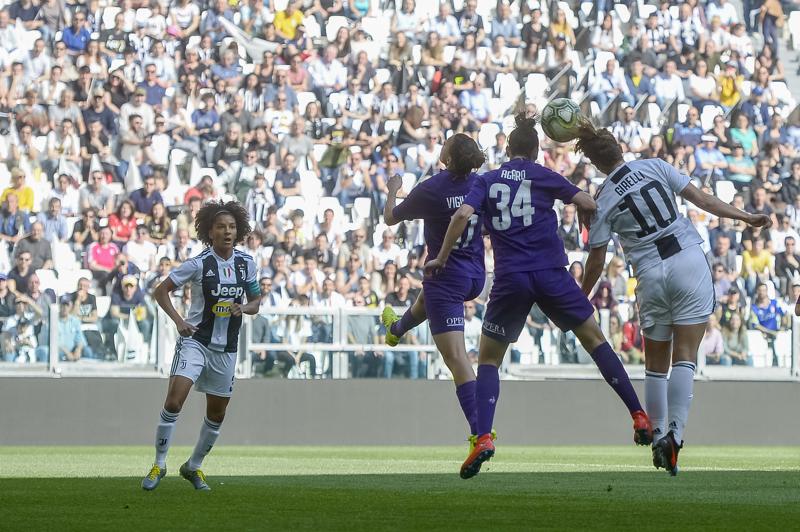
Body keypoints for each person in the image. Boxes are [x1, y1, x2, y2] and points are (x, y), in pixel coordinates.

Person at [426, 114, 652, 479]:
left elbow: (463, 214)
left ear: (507, 149)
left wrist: (441, 255)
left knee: (488, 360)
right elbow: (589, 204)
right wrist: (581, 213)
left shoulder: (486, 180)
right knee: (595, 342)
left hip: (511, 278)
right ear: (534, 152)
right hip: (551, 274)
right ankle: (638, 414)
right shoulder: (544, 175)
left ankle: (483, 436)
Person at [575, 123, 770, 476]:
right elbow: (703, 200)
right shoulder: (654, 166)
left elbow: (598, 260)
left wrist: (580, 298)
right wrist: (744, 216)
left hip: (649, 272)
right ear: (619, 148)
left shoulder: (601, 198)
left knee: (655, 363)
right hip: (686, 261)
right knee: (685, 357)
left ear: (596, 164)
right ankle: (675, 437)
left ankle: (659, 435)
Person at [141, 201, 261, 492]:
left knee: (216, 415)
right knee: (173, 401)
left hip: (226, 349)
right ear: (210, 231)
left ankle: (193, 467)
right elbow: (161, 290)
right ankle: (159, 463)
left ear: (239, 230)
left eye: (232, 226)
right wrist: (179, 321)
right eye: (221, 226)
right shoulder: (198, 264)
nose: (227, 231)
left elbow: (256, 303)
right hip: (195, 341)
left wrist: (243, 308)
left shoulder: (247, 263)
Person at [381, 133, 486, 436]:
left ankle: (481, 434)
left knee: (456, 358)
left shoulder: (433, 189)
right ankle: (396, 330)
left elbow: (390, 218)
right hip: (477, 274)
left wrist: (392, 190)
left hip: (447, 275)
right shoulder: (482, 183)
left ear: (448, 158)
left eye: (447, 142)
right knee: (427, 298)